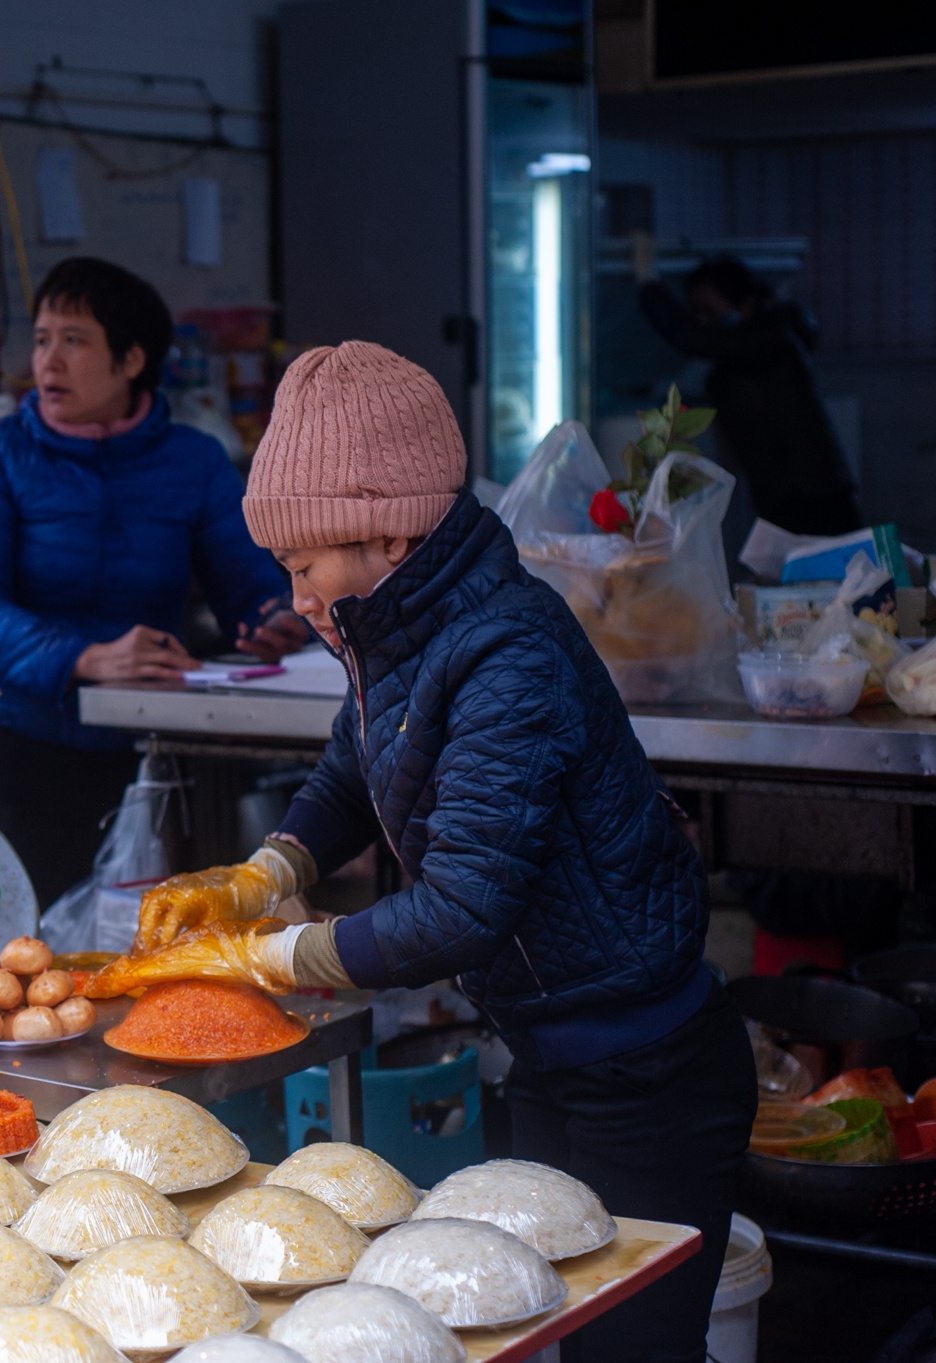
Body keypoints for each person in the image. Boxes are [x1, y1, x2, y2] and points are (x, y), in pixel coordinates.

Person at [125, 341, 754, 1363]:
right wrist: (263, 871)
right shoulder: (397, 631)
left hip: (646, 1075)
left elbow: (463, 906)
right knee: (562, 1337)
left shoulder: (507, 650)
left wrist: (273, 958)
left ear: (384, 531)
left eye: (301, 564)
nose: (295, 593)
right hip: (554, 1056)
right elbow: (350, 769)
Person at [0, 257, 305, 902]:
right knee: (18, 964)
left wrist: (278, 619)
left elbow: (252, 590)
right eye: (43, 339)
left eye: (74, 341)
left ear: (132, 360)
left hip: (147, 754)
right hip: (14, 749)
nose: (47, 362)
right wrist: (85, 657)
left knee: (142, 960)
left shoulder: (192, 461)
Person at [635, 248, 862, 536]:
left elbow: (694, 338)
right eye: (697, 312)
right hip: (793, 493)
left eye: (708, 308)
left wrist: (649, 285)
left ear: (739, 298)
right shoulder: (758, 343)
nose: (703, 319)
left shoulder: (768, 336)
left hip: (811, 495)